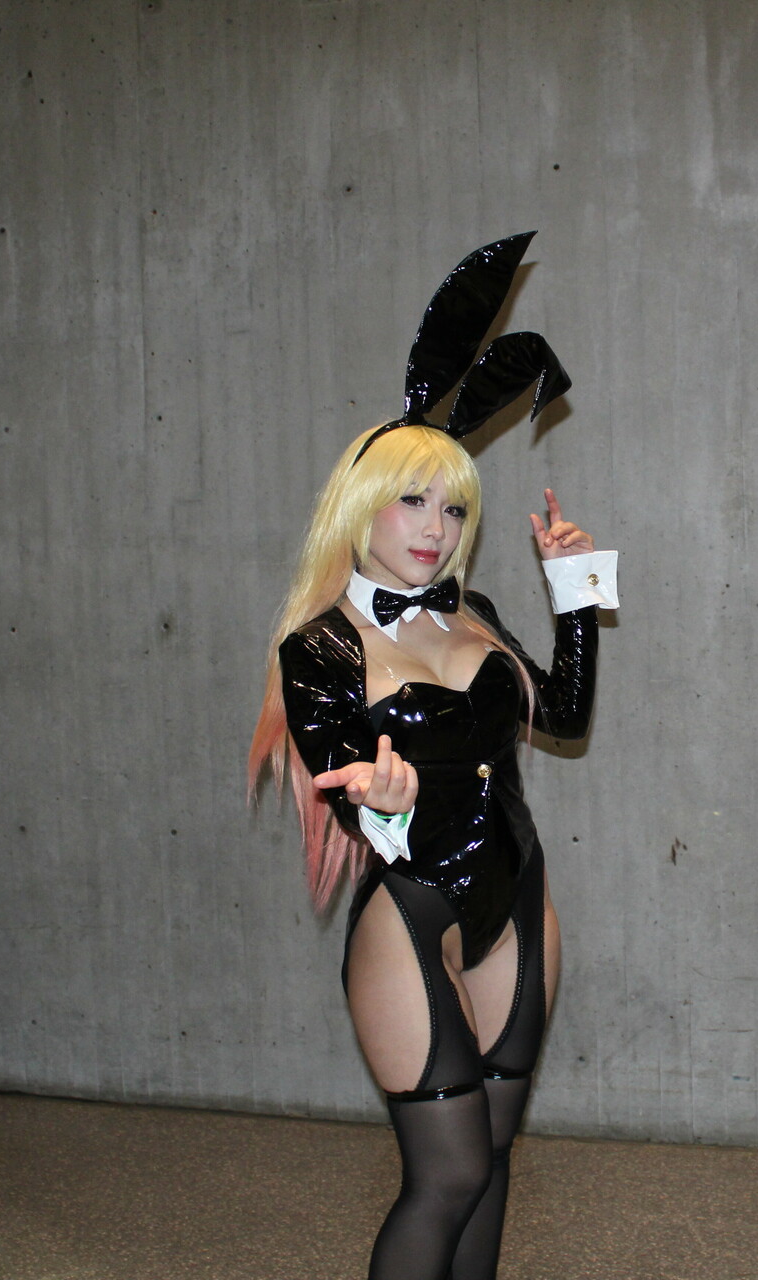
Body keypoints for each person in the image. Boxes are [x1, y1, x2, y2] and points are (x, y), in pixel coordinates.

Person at [250, 234, 617, 1280]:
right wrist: (381, 796)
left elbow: (566, 714)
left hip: (518, 891)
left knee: (492, 1156)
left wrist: (577, 589)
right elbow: (341, 772)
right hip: (412, 907)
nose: (435, 525)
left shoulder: (478, 611)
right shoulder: (319, 645)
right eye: (413, 500)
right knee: (447, 1171)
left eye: (454, 506)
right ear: (360, 505)